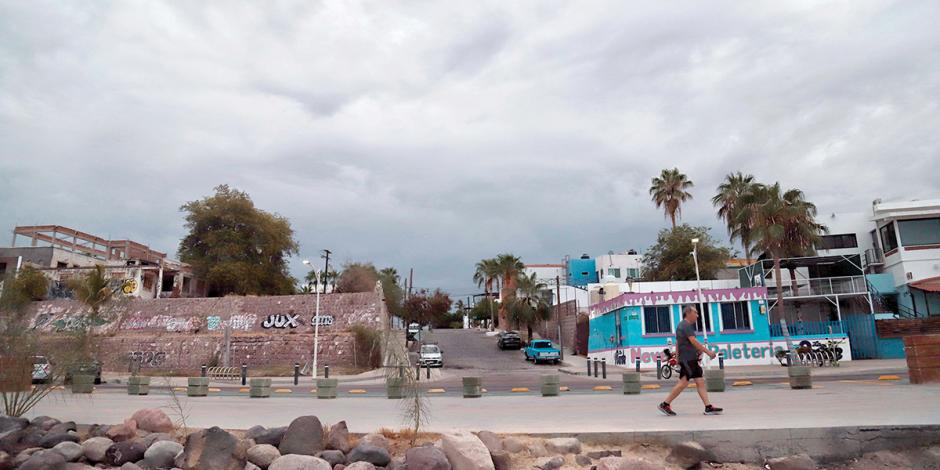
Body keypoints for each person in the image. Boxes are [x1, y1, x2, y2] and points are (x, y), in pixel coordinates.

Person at [658, 305, 723, 416]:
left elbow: (678, 343)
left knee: (700, 382)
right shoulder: (686, 325)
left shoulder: (681, 326)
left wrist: (677, 358)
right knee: (683, 383)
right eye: (695, 313)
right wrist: (708, 352)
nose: (697, 316)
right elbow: (694, 342)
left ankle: (708, 407)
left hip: (690, 359)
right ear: (688, 313)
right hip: (688, 360)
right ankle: (665, 404)